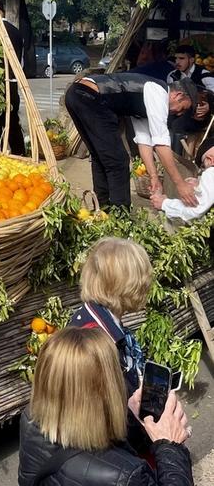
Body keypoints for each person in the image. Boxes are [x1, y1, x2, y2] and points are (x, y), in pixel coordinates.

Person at [18, 326, 193, 486]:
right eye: (118, 370)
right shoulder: (126, 476)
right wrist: (171, 447)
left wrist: (129, 418)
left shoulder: (30, 418)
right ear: (107, 388)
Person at [69, 238, 154, 458]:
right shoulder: (95, 343)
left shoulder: (94, 319)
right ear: (127, 284)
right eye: (143, 278)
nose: (148, 284)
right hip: (117, 453)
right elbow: (102, 417)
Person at [64, 73, 197, 210]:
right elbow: (161, 144)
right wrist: (180, 184)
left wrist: (154, 177)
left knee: (101, 156)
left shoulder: (146, 99)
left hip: (76, 95)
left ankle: (102, 210)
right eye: (182, 108)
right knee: (118, 160)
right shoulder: (158, 94)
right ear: (178, 95)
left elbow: (144, 141)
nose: (179, 114)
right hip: (89, 97)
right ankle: (120, 214)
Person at [0, 0, 26, 156]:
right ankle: (20, 153)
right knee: (12, 122)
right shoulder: (16, 32)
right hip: (12, 83)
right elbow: (21, 63)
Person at [151, 134, 214, 222]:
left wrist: (164, 203)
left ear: (210, 160)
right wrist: (200, 184)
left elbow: (196, 210)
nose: (205, 171)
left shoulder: (211, 171)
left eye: (203, 167)